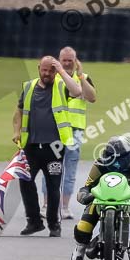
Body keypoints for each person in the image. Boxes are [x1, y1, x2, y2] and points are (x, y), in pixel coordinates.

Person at [12, 56, 82, 237]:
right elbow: (19, 111)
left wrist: (61, 70)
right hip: (31, 146)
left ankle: (54, 224)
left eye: (51, 71)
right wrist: (16, 131)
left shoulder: (61, 85)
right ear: (38, 69)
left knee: (53, 186)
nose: (47, 74)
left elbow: (77, 91)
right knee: (25, 182)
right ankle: (34, 221)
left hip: (54, 148)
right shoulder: (28, 87)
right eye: (44, 70)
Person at [71, 135, 130, 260]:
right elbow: (86, 187)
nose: (117, 162)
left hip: (129, 199)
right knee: (83, 226)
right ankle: (80, 247)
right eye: (112, 156)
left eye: (120, 157)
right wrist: (84, 196)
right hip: (101, 198)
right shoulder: (100, 164)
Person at [42, 47, 97, 220]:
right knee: (51, 168)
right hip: (54, 129)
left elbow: (92, 97)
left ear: (76, 60)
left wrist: (80, 76)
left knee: (70, 170)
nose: (67, 63)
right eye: (64, 60)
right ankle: (46, 205)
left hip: (75, 132)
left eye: (70, 60)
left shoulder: (83, 78)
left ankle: (64, 207)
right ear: (59, 60)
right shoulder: (54, 78)